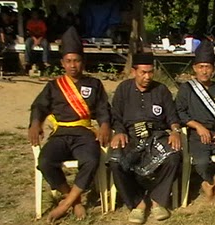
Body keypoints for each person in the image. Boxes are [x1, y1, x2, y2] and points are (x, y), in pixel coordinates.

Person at [28, 26, 111, 223]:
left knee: (91, 159)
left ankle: (64, 205)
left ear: (83, 62)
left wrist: (105, 125)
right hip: (61, 133)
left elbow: (102, 109)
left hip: (84, 133)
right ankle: (73, 199)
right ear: (63, 63)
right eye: (68, 61)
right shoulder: (54, 86)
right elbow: (39, 106)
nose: (73, 65)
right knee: (45, 162)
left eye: (76, 60)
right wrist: (35, 123)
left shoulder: (94, 84)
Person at [108, 52, 181, 224]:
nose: (147, 76)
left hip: (157, 135)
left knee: (174, 156)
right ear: (134, 72)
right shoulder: (123, 89)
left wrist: (176, 131)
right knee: (115, 161)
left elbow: (172, 117)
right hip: (130, 135)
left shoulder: (161, 90)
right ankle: (137, 203)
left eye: (150, 72)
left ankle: (157, 200)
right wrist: (119, 131)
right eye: (143, 72)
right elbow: (116, 116)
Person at [175, 40, 215, 202]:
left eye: (208, 67)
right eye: (201, 67)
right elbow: (179, 113)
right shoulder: (186, 89)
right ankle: (210, 182)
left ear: (214, 69)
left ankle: (212, 184)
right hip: (195, 135)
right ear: (195, 68)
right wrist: (197, 126)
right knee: (202, 162)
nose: (204, 71)